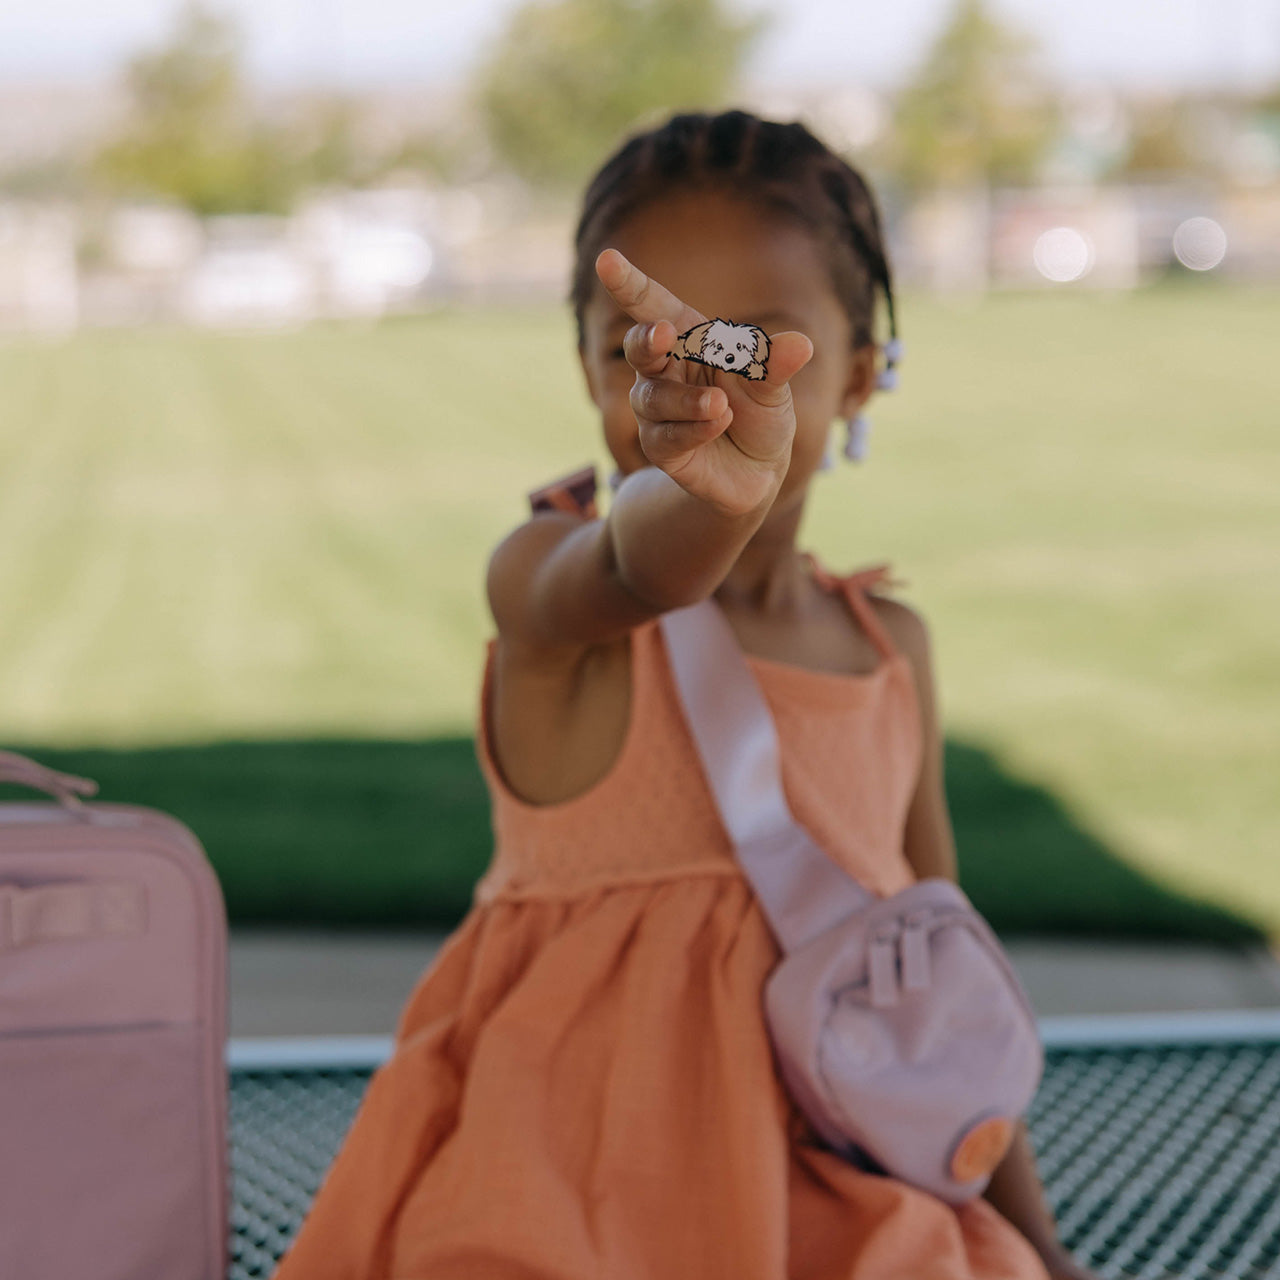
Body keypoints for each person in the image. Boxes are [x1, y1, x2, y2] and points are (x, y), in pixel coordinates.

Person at [271, 109, 1101, 1280]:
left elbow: (937, 975)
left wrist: (1036, 1240)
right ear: (584, 365)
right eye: (641, 349)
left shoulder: (887, 647)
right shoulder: (552, 593)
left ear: (858, 377)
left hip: (833, 1205)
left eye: (749, 350)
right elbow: (635, 565)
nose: (699, 387)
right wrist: (712, 496)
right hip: (558, 1209)